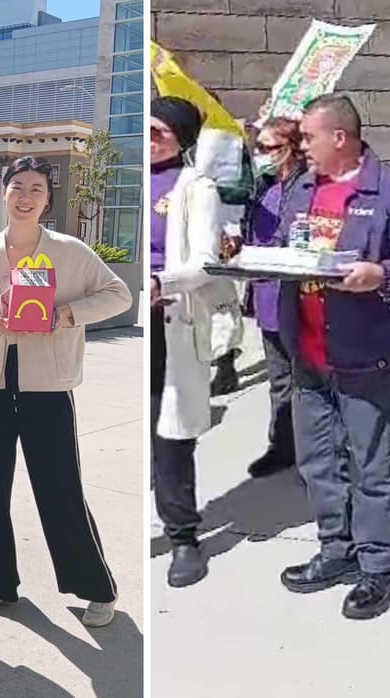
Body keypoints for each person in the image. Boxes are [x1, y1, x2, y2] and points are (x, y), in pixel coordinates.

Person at [276, 93, 390, 620]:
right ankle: (335, 551)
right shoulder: (300, 187)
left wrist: (382, 274)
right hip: (306, 352)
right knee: (317, 462)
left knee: (371, 465)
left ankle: (378, 567)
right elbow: (284, 246)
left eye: (308, 137)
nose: (301, 146)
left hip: (363, 352)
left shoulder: (388, 189)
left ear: (340, 138)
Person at [0, 155, 131, 627]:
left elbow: (119, 295)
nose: (25, 195)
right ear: (4, 193)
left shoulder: (70, 252)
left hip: (48, 390)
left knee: (60, 489)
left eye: (36, 188)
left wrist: (63, 314)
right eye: (17, 186)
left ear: (48, 198)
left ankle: (97, 587)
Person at [151, 96, 226, 588]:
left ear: (182, 137)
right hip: (126, 318)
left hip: (170, 320)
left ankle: (182, 537)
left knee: (170, 437)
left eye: (160, 130)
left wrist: (164, 283)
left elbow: (206, 261)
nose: (150, 137)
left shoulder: (196, 188)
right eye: (146, 127)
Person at [242, 116, 309, 478]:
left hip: (298, 298)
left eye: (268, 147)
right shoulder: (263, 184)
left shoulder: (308, 187)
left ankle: (315, 457)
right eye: (258, 147)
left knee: (307, 382)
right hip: (267, 293)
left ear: (293, 149)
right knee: (280, 380)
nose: (260, 154)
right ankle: (282, 447)